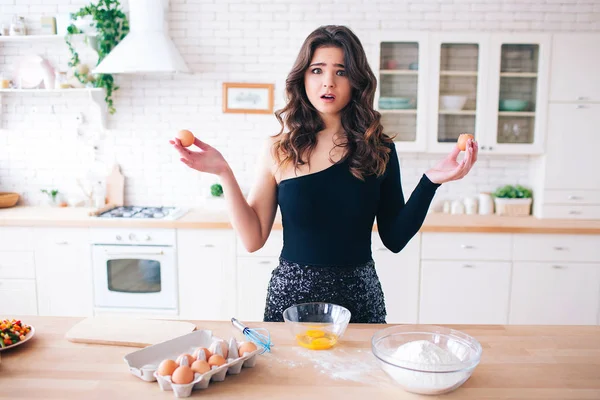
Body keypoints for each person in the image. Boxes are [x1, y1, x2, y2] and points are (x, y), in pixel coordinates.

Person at [170, 25, 478, 323]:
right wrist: (224, 172)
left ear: (356, 81)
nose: (328, 82)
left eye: (341, 72)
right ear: (302, 77)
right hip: (290, 304)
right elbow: (252, 239)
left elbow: (394, 238)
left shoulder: (379, 149)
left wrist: (430, 183)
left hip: (359, 304)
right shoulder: (278, 149)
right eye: (317, 70)